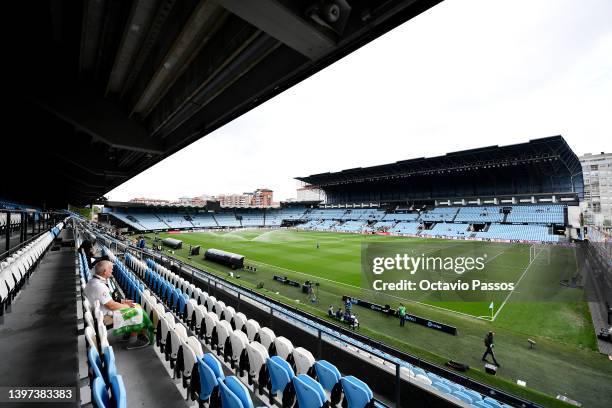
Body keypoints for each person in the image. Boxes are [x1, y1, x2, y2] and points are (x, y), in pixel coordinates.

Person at [84, 260, 149, 350]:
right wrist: (126, 306)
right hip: (105, 317)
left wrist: (122, 302)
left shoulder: (94, 281)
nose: (112, 271)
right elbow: (112, 306)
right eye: (111, 269)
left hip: (101, 312)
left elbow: (108, 300)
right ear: (105, 271)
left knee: (135, 306)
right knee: (137, 311)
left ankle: (129, 334)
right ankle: (134, 340)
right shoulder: (99, 286)